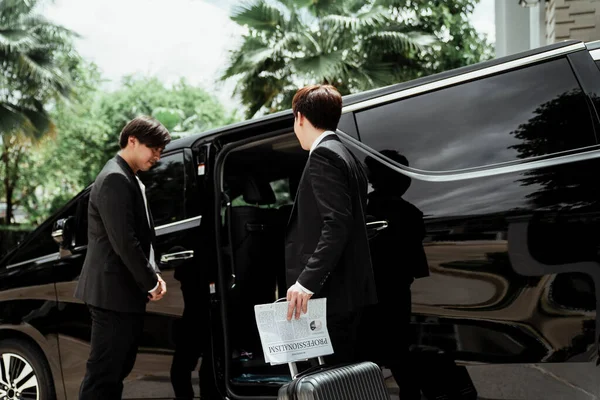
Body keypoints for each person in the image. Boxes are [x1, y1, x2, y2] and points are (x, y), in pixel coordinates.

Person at [74, 115, 171, 400]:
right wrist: (150, 282)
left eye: (161, 150)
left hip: (121, 295)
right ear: (132, 141)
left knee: (115, 372)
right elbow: (124, 242)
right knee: (103, 376)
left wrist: (152, 274)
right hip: (111, 296)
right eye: (153, 148)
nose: (158, 155)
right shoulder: (115, 177)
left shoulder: (127, 176)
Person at [285, 84, 377, 365]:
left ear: (300, 117)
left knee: (332, 379)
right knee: (347, 376)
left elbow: (336, 223)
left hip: (330, 295)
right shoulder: (348, 156)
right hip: (349, 291)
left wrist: (306, 282)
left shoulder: (323, 155)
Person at [360, 150, 429, 400]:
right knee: (398, 348)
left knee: (373, 350)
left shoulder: (366, 207)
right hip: (399, 287)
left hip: (375, 289)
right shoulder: (411, 211)